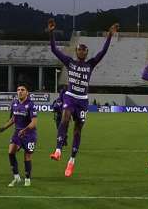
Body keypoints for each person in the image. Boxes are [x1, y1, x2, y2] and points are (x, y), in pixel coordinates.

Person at [47, 18, 119, 177]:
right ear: (76, 51)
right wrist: (51, 32)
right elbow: (53, 49)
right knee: (65, 118)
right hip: (71, 96)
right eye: (79, 49)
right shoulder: (69, 62)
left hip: (83, 100)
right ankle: (58, 150)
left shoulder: (90, 64)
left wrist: (109, 36)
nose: (81, 51)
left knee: (78, 130)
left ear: (86, 53)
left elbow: (103, 52)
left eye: (84, 50)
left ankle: (71, 161)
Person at [0, 84, 38, 187]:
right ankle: (16, 177)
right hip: (17, 133)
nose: (20, 91)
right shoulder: (14, 103)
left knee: (27, 156)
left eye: (22, 90)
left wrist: (25, 130)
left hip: (29, 134)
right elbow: (13, 119)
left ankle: (27, 179)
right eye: (18, 90)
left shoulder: (31, 105)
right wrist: (4, 127)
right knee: (11, 152)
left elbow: (34, 122)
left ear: (27, 92)